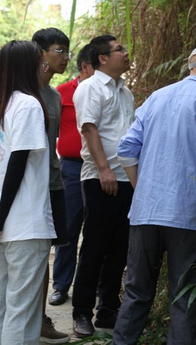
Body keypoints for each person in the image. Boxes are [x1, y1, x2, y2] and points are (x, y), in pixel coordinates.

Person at [112, 44, 196, 344]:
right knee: (185, 294)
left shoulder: (156, 98)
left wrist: (142, 190)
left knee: (136, 292)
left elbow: (126, 151)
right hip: (186, 216)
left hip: (145, 213)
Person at [0, 40, 57, 345]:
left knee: (0, 300)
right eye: (40, 62)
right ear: (28, 66)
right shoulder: (27, 105)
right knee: (21, 310)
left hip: (3, 222)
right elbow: (17, 165)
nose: (44, 67)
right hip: (23, 222)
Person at [71, 35, 135, 337]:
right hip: (99, 177)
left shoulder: (125, 92)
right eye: (119, 49)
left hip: (126, 177)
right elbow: (89, 129)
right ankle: (81, 312)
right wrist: (104, 169)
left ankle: (108, 310)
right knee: (95, 246)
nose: (125, 52)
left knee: (120, 246)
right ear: (103, 59)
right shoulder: (90, 88)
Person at [30, 28, 71, 344]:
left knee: (45, 252)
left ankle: (39, 319)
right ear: (41, 53)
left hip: (53, 184)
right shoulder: (20, 92)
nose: (66, 57)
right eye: (60, 50)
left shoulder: (55, 96)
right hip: (26, 187)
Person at [49, 45, 94, 307]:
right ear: (85, 67)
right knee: (67, 228)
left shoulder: (105, 94)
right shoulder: (63, 92)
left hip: (100, 168)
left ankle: (91, 284)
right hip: (71, 167)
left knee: (96, 229)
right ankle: (61, 285)